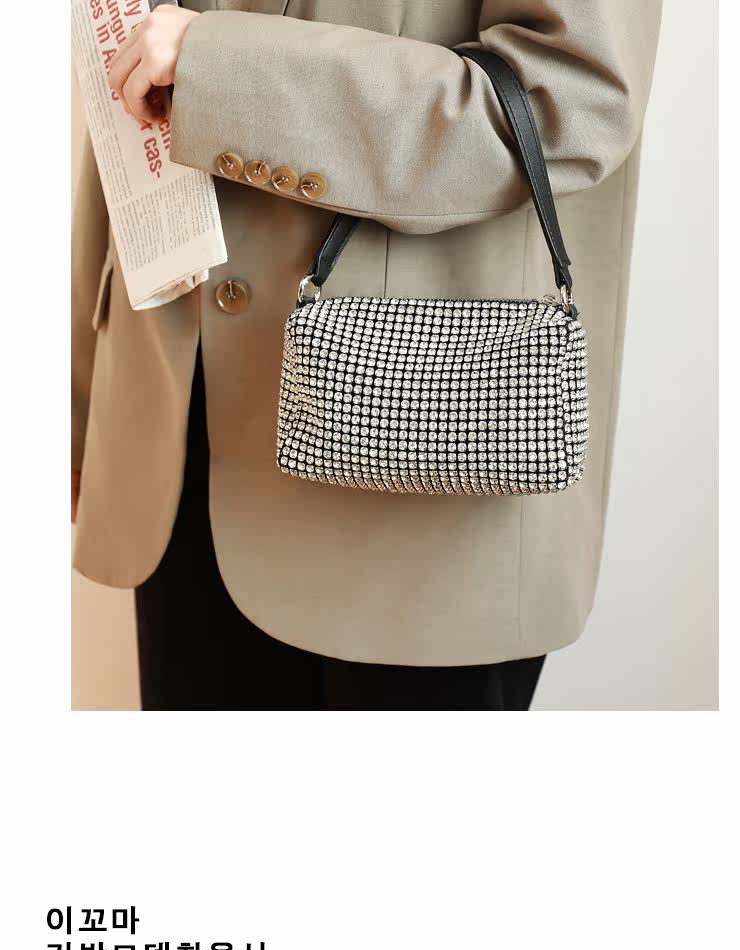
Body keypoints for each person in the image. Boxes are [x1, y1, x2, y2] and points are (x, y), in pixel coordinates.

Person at [72, 0, 662, 711]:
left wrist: (219, 66)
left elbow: (569, 103)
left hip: (423, 482)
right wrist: (80, 398)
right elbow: (128, 57)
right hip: (170, 446)